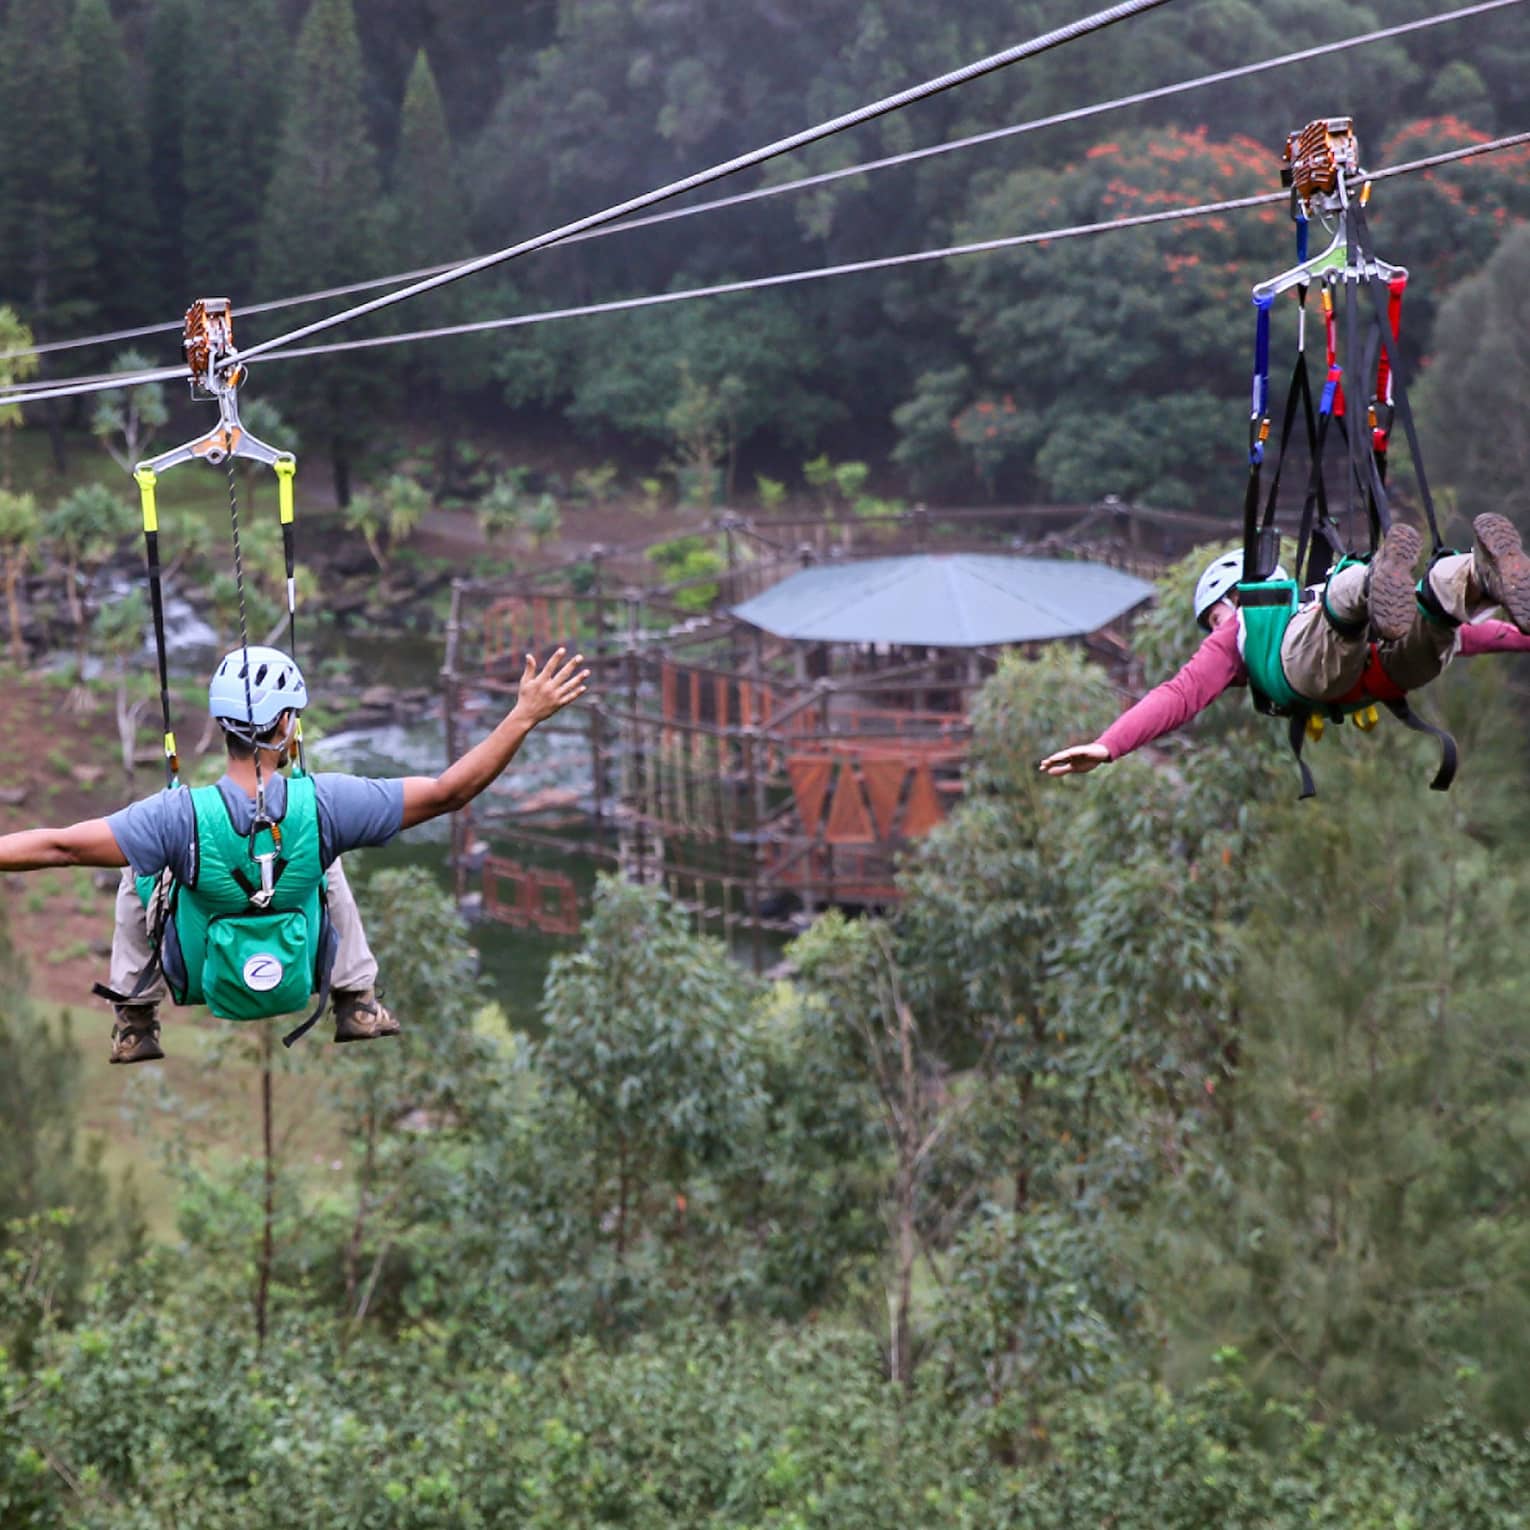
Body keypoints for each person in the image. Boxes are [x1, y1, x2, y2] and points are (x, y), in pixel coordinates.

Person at [0, 643, 589, 1062]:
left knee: (138, 863)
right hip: (300, 959)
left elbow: (61, 846)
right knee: (322, 857)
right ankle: (356, 1001)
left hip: (201, 967)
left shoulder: (177, 818)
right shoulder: (324, 804)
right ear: (286, 725)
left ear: (224, 725)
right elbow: (449, 793)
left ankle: (135, 1020)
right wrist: (523, 716)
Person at [1039, 513, 1530, 778]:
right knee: (1433, 615)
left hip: (1336, 668)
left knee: (1392, 620)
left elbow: (1179, 694)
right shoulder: (1272, 617)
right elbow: (1476, 637)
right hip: (1381, 665)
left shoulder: (1244, 630)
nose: (1217, 629)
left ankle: (1451, 577)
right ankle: (1466, 576)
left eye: (1216, 614)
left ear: (1242, 594)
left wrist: (1109, 745)